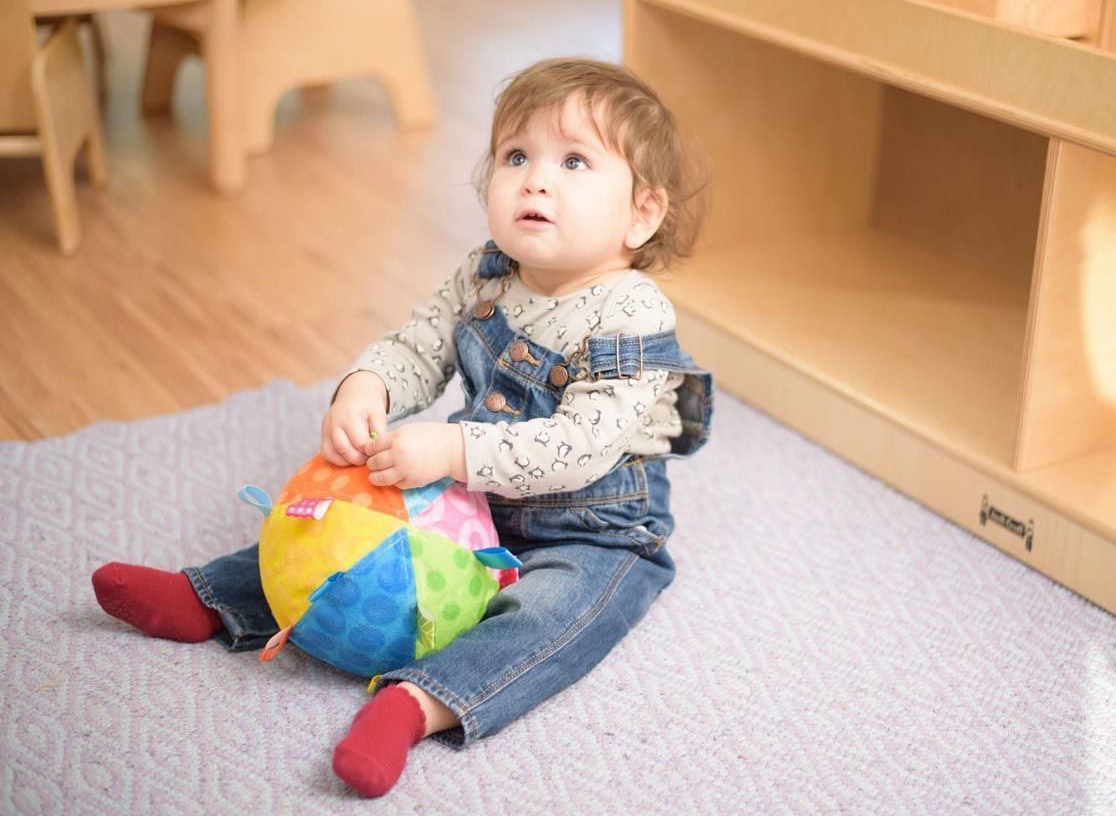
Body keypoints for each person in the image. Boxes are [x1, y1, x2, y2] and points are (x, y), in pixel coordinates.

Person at [90, 57, 714, 796]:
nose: (536, 179)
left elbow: (580, 446)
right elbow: (421, 344)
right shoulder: (488, 272)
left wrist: (452, 447)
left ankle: (416, 704)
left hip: (598, 523)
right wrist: (369, 385)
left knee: (554, 616)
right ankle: (213, 596)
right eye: (517, 156)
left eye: (574, 161)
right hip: (474, 487)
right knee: (346, 525)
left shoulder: (632, 313)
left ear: (641, 213)